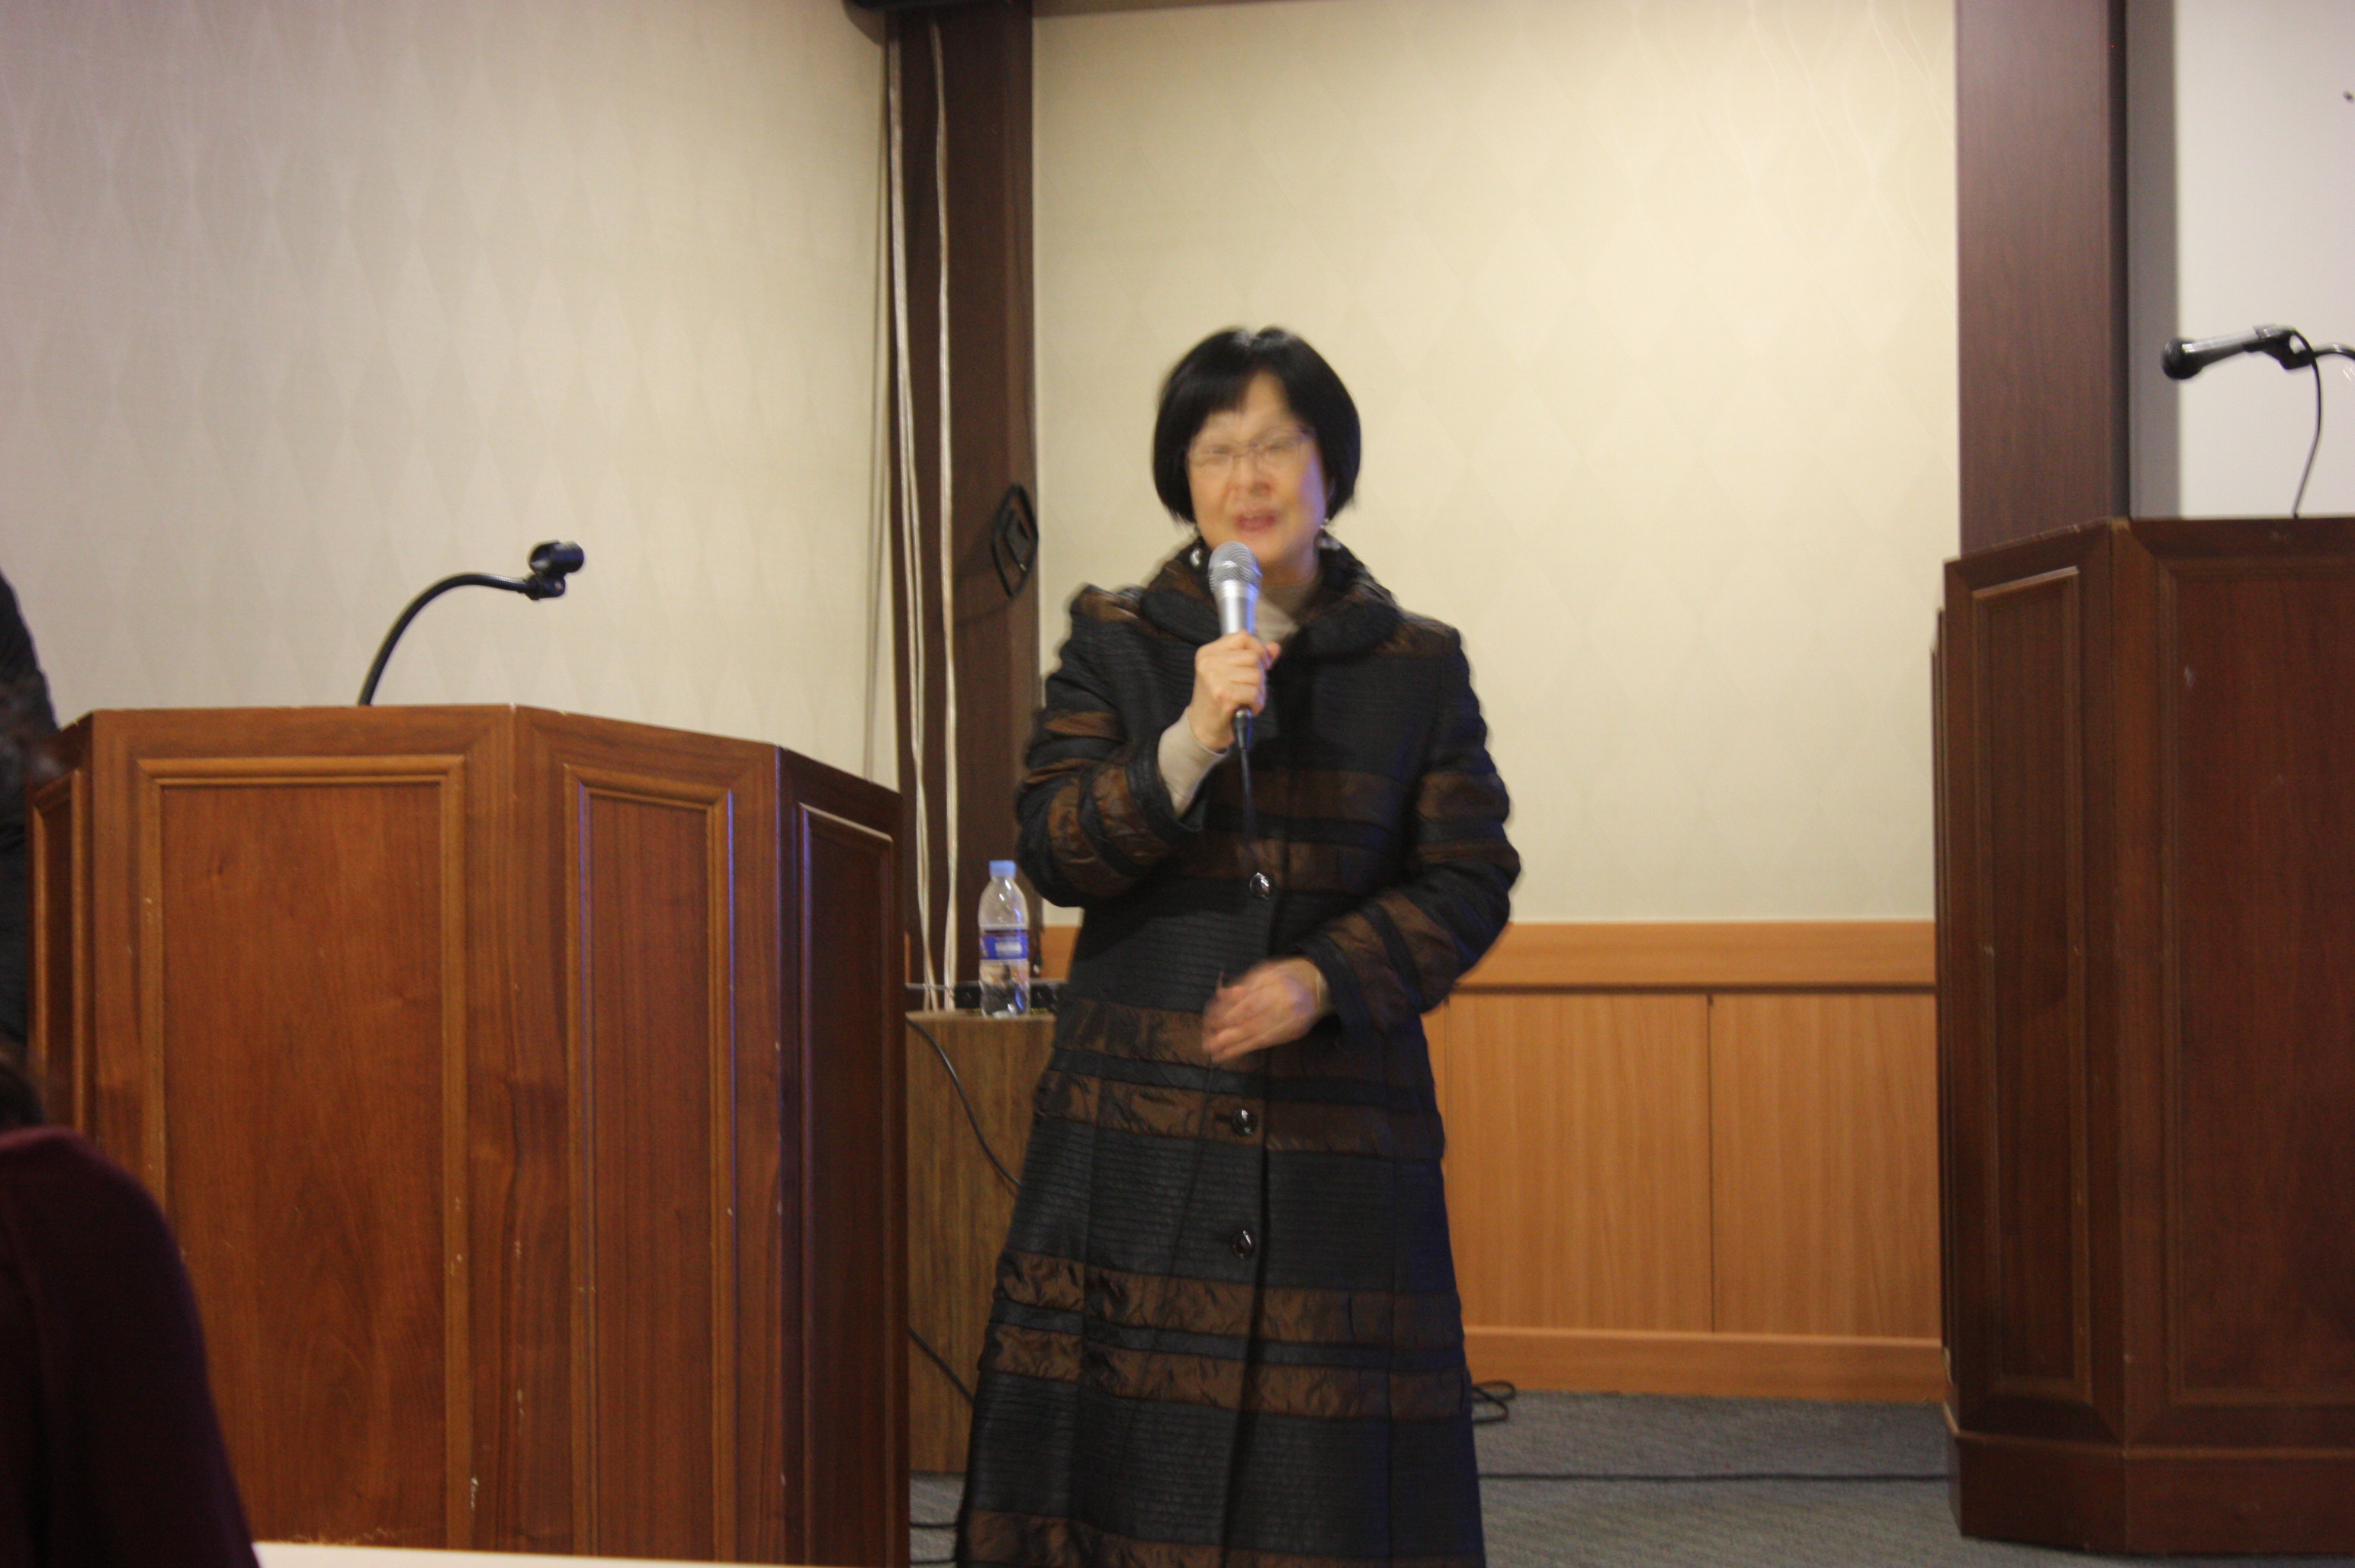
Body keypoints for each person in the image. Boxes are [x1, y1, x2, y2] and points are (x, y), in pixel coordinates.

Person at [956, 328, 1518, 1568]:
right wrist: (1193, 738)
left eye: (1277, 446)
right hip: (1140, 1127)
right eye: (1217, 451)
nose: (1248, 478)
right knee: (1127, 1457)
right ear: (1185, 477)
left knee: (1328, 1492)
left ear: (1331, 468)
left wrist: (1328, 975)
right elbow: (1056, 849)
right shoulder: (1116, 642)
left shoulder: (1416, 666)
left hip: (1336, 1135)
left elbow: (1470, 878)